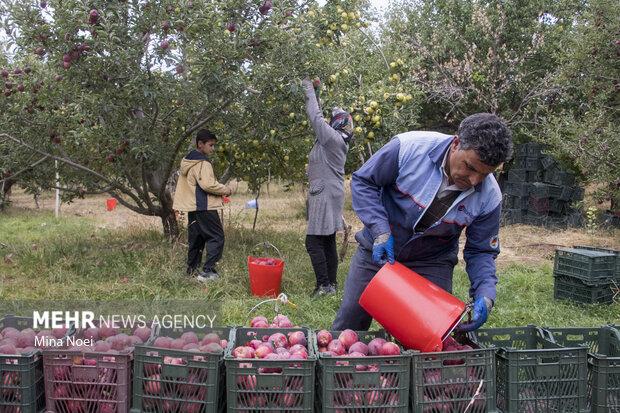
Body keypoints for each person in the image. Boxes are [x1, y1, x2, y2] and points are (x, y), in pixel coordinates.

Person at [332, 113, 513, 332]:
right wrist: (379, 229)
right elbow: (364, 181)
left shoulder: (489, 197)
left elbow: (481, 251)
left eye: (485, 174)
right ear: (456, 144)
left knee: (431, 333)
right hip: (379, 251)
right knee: (350, 325)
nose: (474, 180)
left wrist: (485, 292)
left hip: (431, 262)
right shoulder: (410, 148)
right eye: (471, 167)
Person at [302, 78, 353, 297]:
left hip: (324, 195)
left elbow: (316, 117)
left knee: (313, 241)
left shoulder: (332, 139)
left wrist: (307, 87)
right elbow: (320, 117)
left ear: (337, 124)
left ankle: (323, 285)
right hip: (329, 193)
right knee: (327, 240)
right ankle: (330, 285)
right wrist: (317, 91)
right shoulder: (334, 139)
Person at [173, 129, 232, 282]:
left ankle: (192, 271)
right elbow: (208, 185)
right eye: (211, 145)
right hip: (205, 206)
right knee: (217, 236)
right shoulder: (202, 163)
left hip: (193, 207)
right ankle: (208, 271)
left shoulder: (189, 161)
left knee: (197, 239)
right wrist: (226, 189)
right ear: (200, 144)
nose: (213, 149)